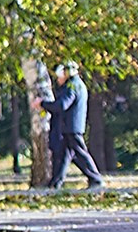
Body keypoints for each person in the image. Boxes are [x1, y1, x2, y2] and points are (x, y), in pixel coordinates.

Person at [43, 62, 106, 191]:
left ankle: (96, 179)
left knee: (81, 153)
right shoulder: (77, 84)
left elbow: (62, 105)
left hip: (72, 127)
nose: (59, 80)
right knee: (64, 156)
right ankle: (55, 184)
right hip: (70, 127)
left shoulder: (72, 86)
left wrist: (43, 104)